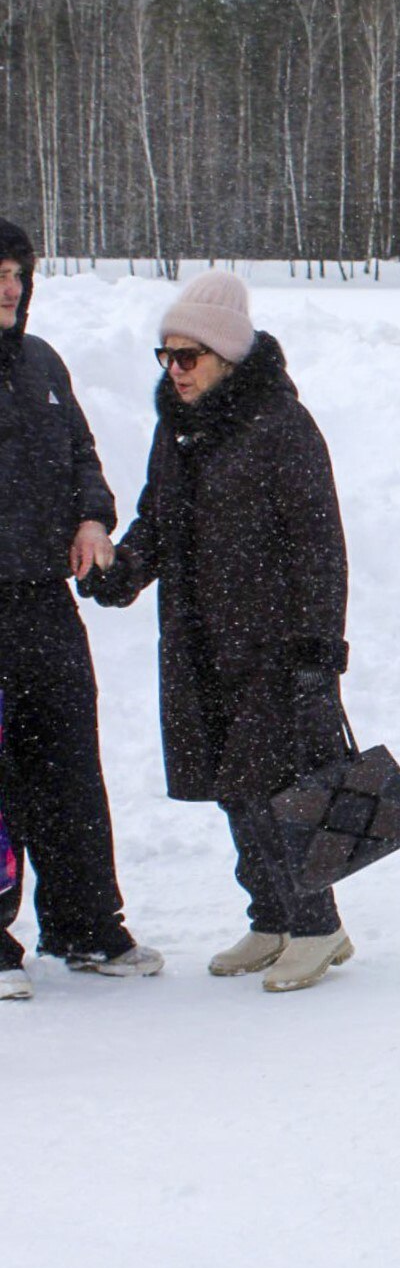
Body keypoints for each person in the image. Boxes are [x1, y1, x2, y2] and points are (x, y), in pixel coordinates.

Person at [80, 272, 354, 993]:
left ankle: (318, 925)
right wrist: (122, 572)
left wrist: (317, 651)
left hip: (271, 641)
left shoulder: (281, 426)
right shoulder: (179, 428)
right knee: (232, 786)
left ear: (226, 355)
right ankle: (270, 916)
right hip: (200, 638)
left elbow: (321, 546)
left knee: (276, 787)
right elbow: (159, 521)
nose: (176, 370)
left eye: (189, 356)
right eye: (166, 356)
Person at [0, 217, 160, 999]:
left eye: (17, 273)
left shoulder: (41, 363)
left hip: (41, 600)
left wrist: (93, 515)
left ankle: (84, 923)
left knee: (66, 764)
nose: (10, 286)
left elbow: (82, 456)